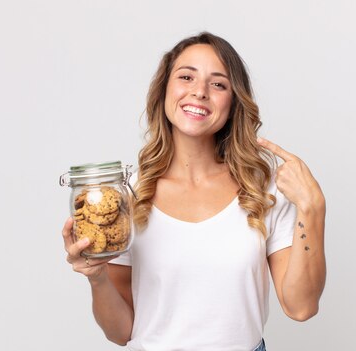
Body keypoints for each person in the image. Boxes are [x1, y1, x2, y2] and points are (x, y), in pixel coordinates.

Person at [61, 32, 326, 351]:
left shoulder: (262, 190)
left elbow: (301, 307)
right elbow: (121, 332)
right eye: (186, 77)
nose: (199, 92)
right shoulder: (129, 196)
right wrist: (97, 276)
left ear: (233, 101)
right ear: (164, 91)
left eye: (218, 84)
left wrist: (313, 208)